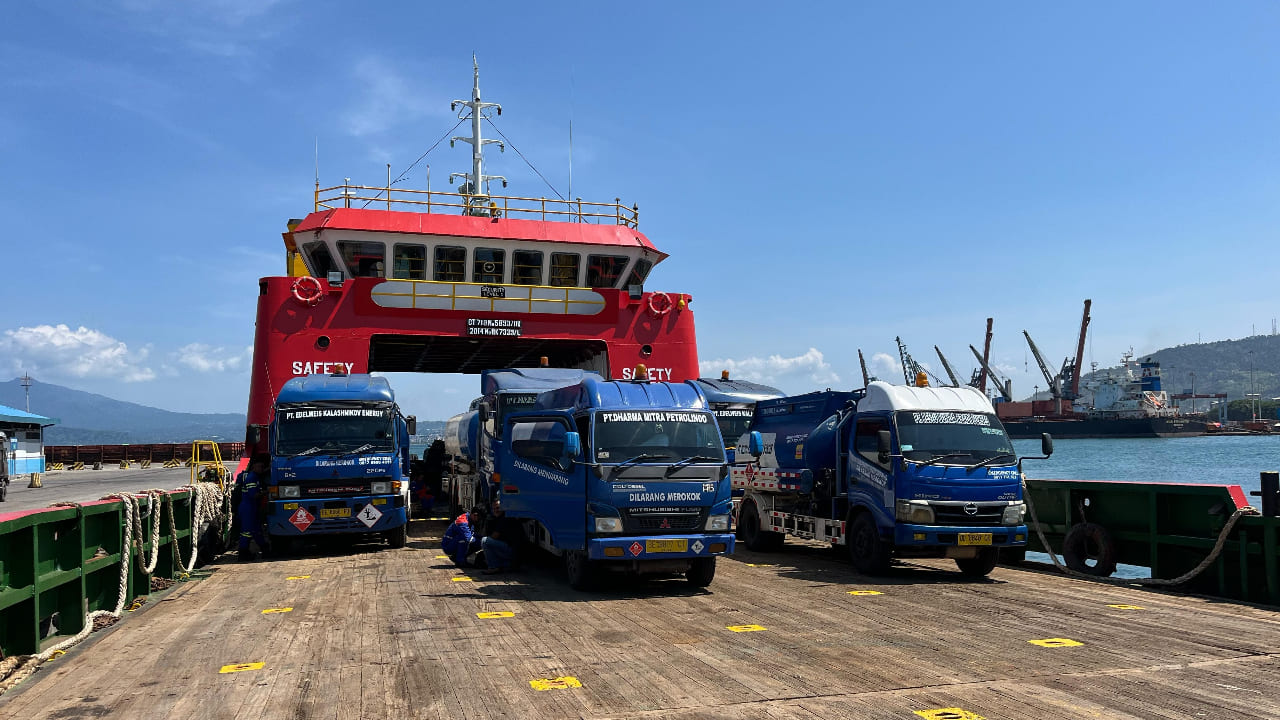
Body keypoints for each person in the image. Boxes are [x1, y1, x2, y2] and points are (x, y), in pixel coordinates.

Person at [236, 454, 272, 561]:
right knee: (246, 531)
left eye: (262, 467)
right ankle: (243, 553)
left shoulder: (256, 477)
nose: (261, 469)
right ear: (254, 467)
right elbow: (253, 495)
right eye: (260, 466)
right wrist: (266, 492)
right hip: (247, 508)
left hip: (253, 508)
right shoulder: (251, 478)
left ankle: (265, 549)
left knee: (256, 530)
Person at [480, 498, 520, 574]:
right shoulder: (502, 517)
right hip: (512, 550)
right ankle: (505, 564)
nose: (495, 510)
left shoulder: (504, 518)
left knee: (484, 541)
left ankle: (493, 567)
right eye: (493, 509)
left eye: (498, 508)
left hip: (512, 551)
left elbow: (494, 536)